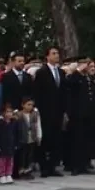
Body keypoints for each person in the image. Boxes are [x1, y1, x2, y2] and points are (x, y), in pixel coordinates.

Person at [32, 46, 66, 177]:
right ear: (47, 56)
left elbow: (63, 93)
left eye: (57, 53)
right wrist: (39, 110)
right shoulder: (41, 72)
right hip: (45, 112)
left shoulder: (61, 72)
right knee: (45, 139)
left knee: (56, 140)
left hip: (58, 112)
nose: (56, 55)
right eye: (53, 53)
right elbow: (38, 93)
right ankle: (44, 167)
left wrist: (64, 111)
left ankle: (53, 166)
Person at [0, 103, 19, 184]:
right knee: (2, 160)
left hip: (11, 145)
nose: (9, 114)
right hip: (2, 145)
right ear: (3, 113)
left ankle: (8, 174)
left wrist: (17, 144)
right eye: (7, 112)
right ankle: (2, 174)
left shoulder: (14, 122)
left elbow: (17, 133)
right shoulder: (0, 123)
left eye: (10, 112)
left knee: (10, 160)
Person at [18, 97, 42, 178]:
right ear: (22, 105)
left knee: (30, 155)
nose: (30, 106)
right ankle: (21, 170)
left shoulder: (35, 114)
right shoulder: (19, 114)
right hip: (22, 138)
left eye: (32, 105)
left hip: (32, 137)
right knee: (23, 155)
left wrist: (39, 136)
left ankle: (28, 170)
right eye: (28, 104)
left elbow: (38, 125)